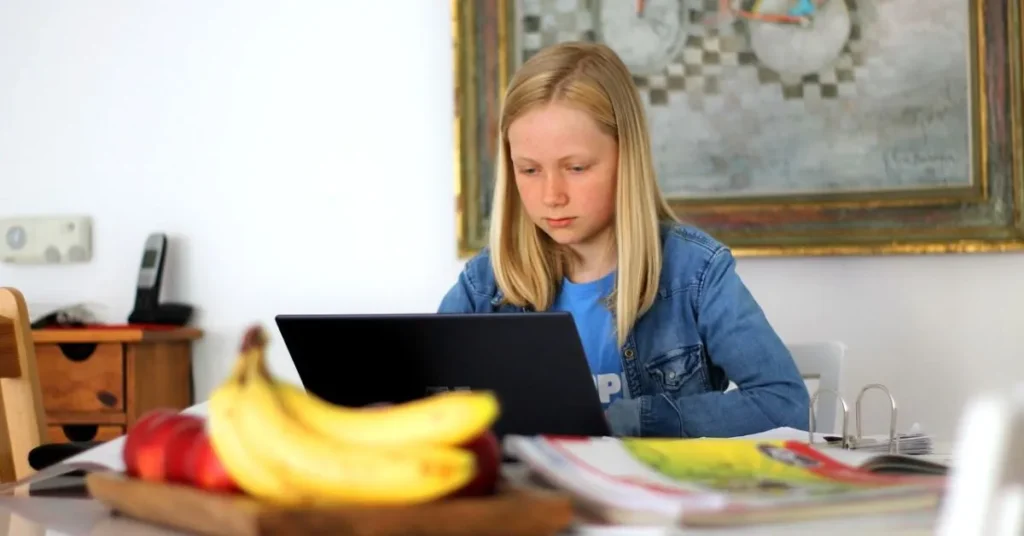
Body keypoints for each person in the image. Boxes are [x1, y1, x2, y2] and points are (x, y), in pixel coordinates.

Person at [438, 41, 810, 438]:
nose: (552, 195)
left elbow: (784, 404)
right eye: (529, 170)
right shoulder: (485, 283)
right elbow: (416, 405)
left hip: (657, 495)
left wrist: (635, 421)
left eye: (576, 167)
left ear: (626, 157)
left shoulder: (695, 271)